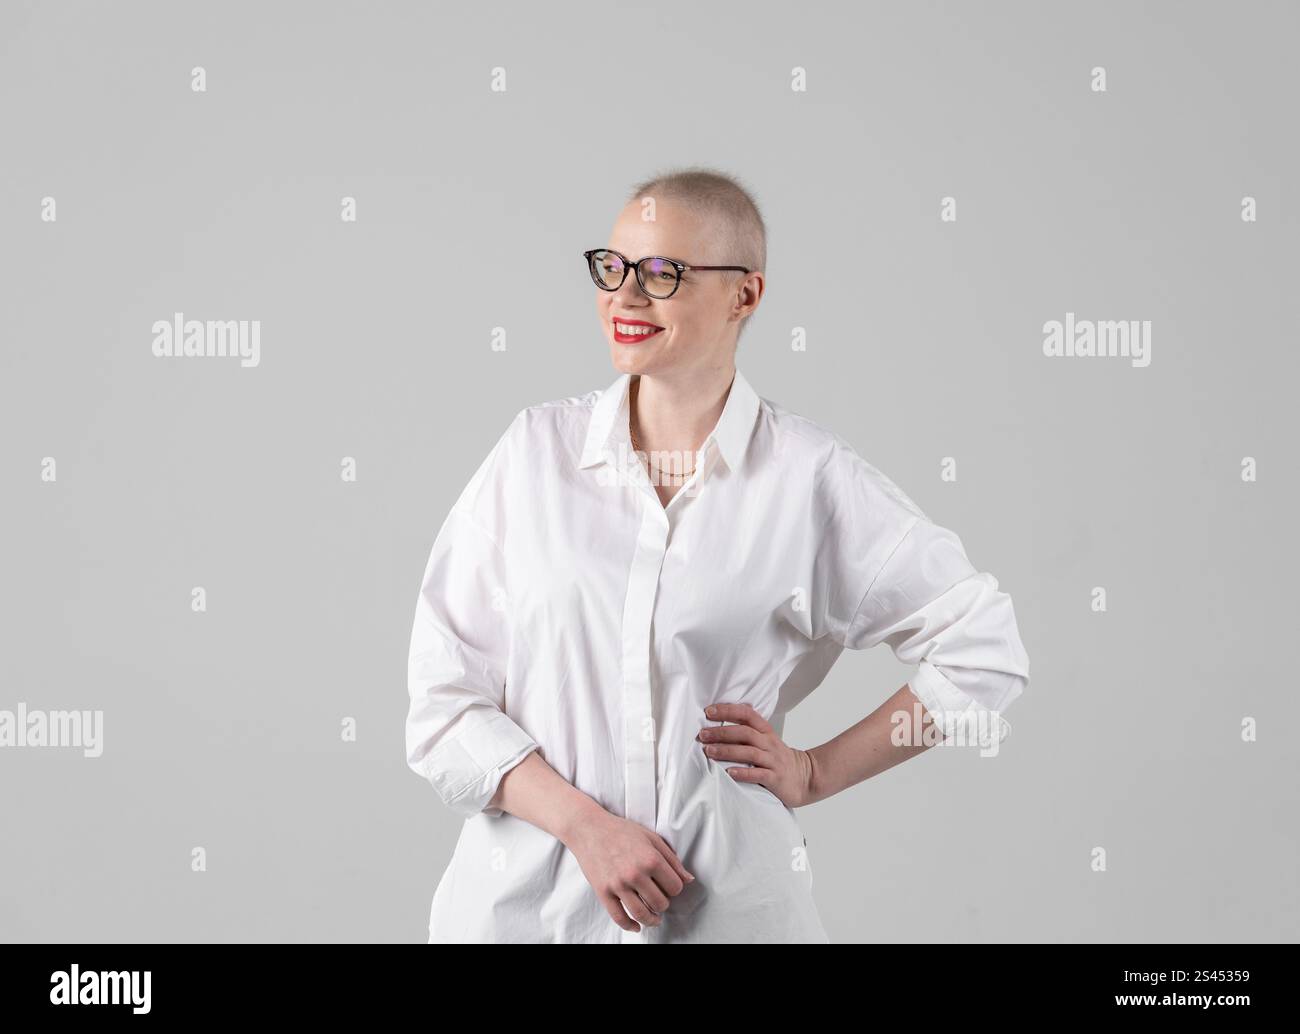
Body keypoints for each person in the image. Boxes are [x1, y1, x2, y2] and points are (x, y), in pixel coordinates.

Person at [405, 166, 1030, 943]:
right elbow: (442, 705)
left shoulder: (808, 480)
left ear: (746, 295)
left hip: (729, 918)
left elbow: (984, 648)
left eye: (663, 273)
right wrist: (584, 828)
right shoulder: (533, 456)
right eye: (614, 267)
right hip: (527, 921)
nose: (626, 297)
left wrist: (815, 770)